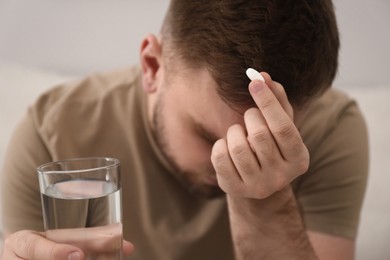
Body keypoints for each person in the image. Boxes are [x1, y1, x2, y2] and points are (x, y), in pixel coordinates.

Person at [1, 0, 368, 259]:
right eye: (209, 137)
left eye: (265, 142)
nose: (231, 161)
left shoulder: (333, 128)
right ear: (152, 66)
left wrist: (267, 197)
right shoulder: (51, 131)